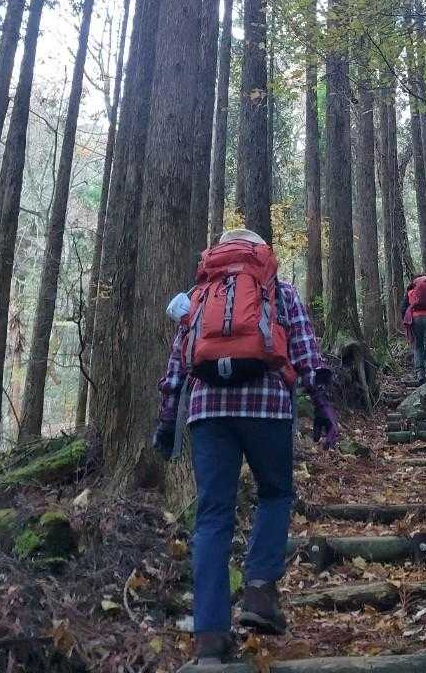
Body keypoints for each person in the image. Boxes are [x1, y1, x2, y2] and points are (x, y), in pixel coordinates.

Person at [152, 227, 339, 666]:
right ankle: (258, 590)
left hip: (207, 412)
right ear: (259, 253)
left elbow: (178, 361)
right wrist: (323, 405)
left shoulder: (199, 296)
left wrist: (166, 419)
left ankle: (209, 637)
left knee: (212, 516)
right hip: (267, 406)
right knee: (275, 493)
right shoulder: (279, 290)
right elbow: (306, 352)